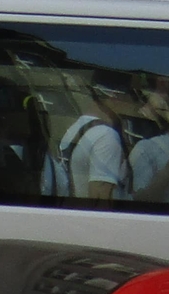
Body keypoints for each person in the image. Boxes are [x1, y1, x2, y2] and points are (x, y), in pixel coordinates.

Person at [43, 73, 140, 201]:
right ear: (115, 96)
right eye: (133, 95)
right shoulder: (106, 137)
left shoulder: (78, 127)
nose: (138, 103)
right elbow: (100, 201)